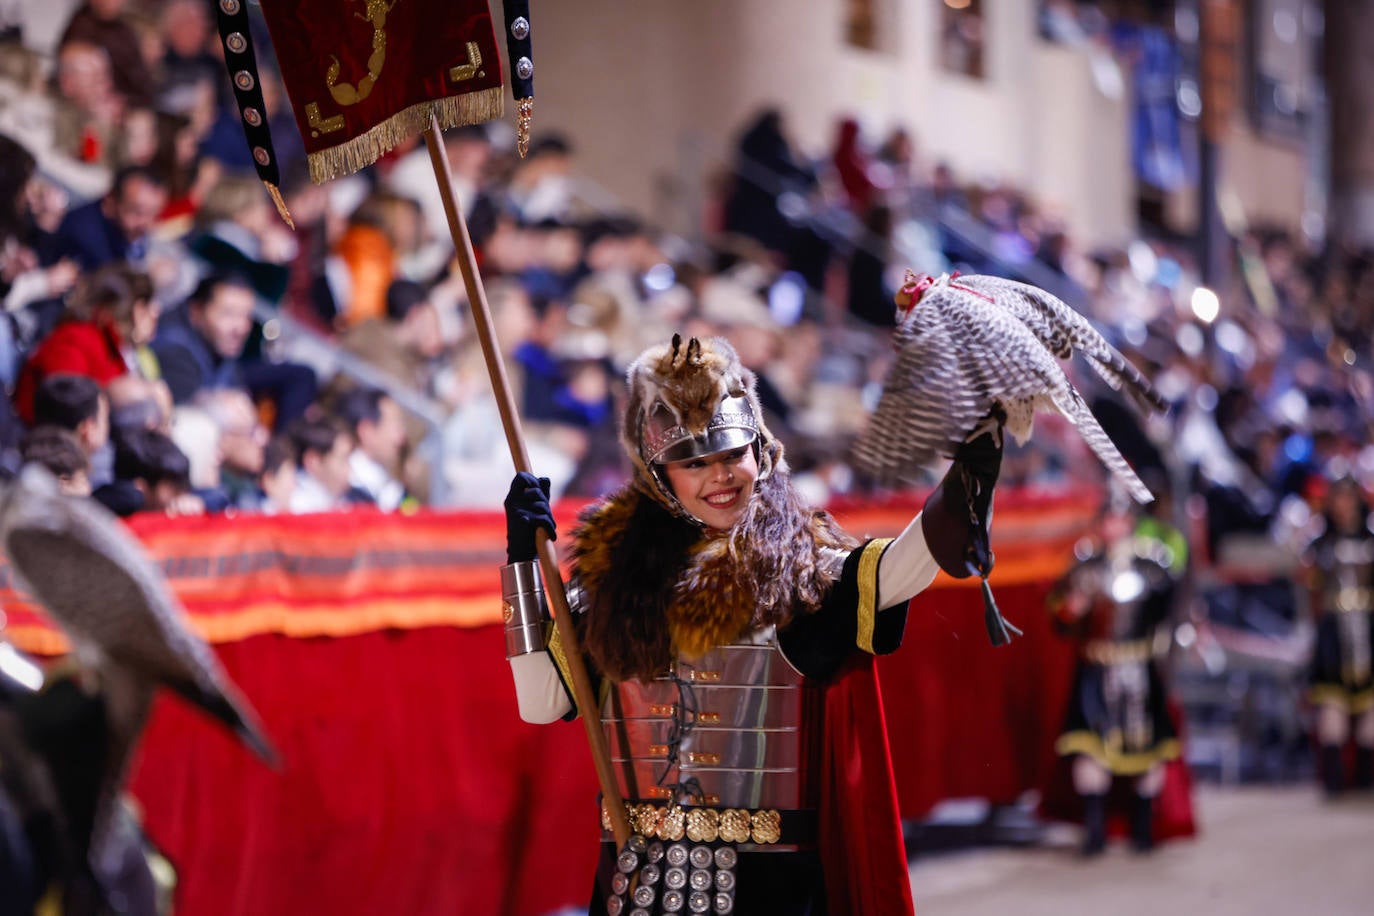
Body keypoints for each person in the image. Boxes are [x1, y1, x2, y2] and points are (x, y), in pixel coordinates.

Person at [500, 334, 1005, 915]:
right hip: (636, 888)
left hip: (773, 891)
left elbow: (897, 570)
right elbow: (540, 702)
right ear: (660, 475)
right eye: (694, 463)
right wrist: (519, 561)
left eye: (731, 454)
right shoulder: (610, 586)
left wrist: (968, 476)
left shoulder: (802, 573)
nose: (720, 477)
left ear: (760, 452)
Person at [1047, 495, 1182, 855]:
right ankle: (1094, 831)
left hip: (1139, 667)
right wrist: (1070, 610)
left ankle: (1142, 827)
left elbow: (1170, 611)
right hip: (1096, 670)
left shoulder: (1153, 566)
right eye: (1108, 520)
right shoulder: (1083, 567)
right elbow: (1058, 616)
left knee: (1147, 752)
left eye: (1121, 520)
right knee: (1089, 750)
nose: (1113, 527)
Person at [1303, 476, 1374, 795]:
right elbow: (1308, 592)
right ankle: (1333, 782)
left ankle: (1365, 779)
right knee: (1333, 709)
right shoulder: (1319, 546)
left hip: (1369, 630)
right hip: (1332, 635)